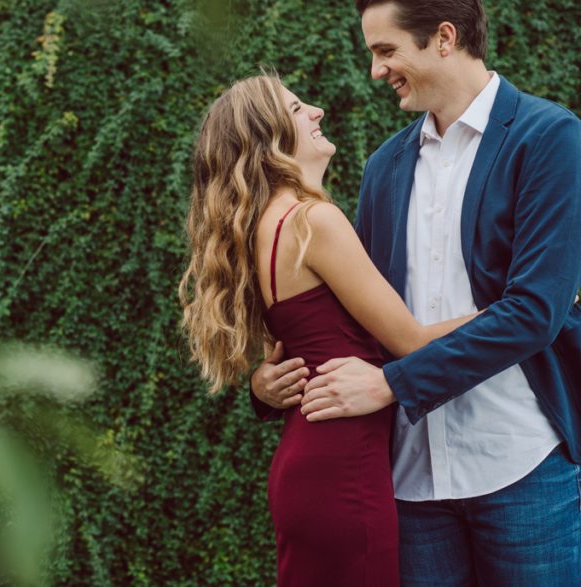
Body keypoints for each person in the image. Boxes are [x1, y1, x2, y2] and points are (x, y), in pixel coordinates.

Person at [255, 0, 581, 586]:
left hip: (521, 466)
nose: (376, 70)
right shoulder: (385, 166)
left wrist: (394, 384)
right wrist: (272, 382)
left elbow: (536, 312)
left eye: (386, 51)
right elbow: (358, 313)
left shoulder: (548, 137)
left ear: (444, 37)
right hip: (410, 478)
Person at [177, 73, 479, 586]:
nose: (316, 110)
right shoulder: (311, 221)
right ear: (269, 138)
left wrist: (260, 386)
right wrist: (526, 305)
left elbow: (297, 346)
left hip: (310, 464)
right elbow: (410, 342)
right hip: (345, 472)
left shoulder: (263, 227)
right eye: (297, 109)